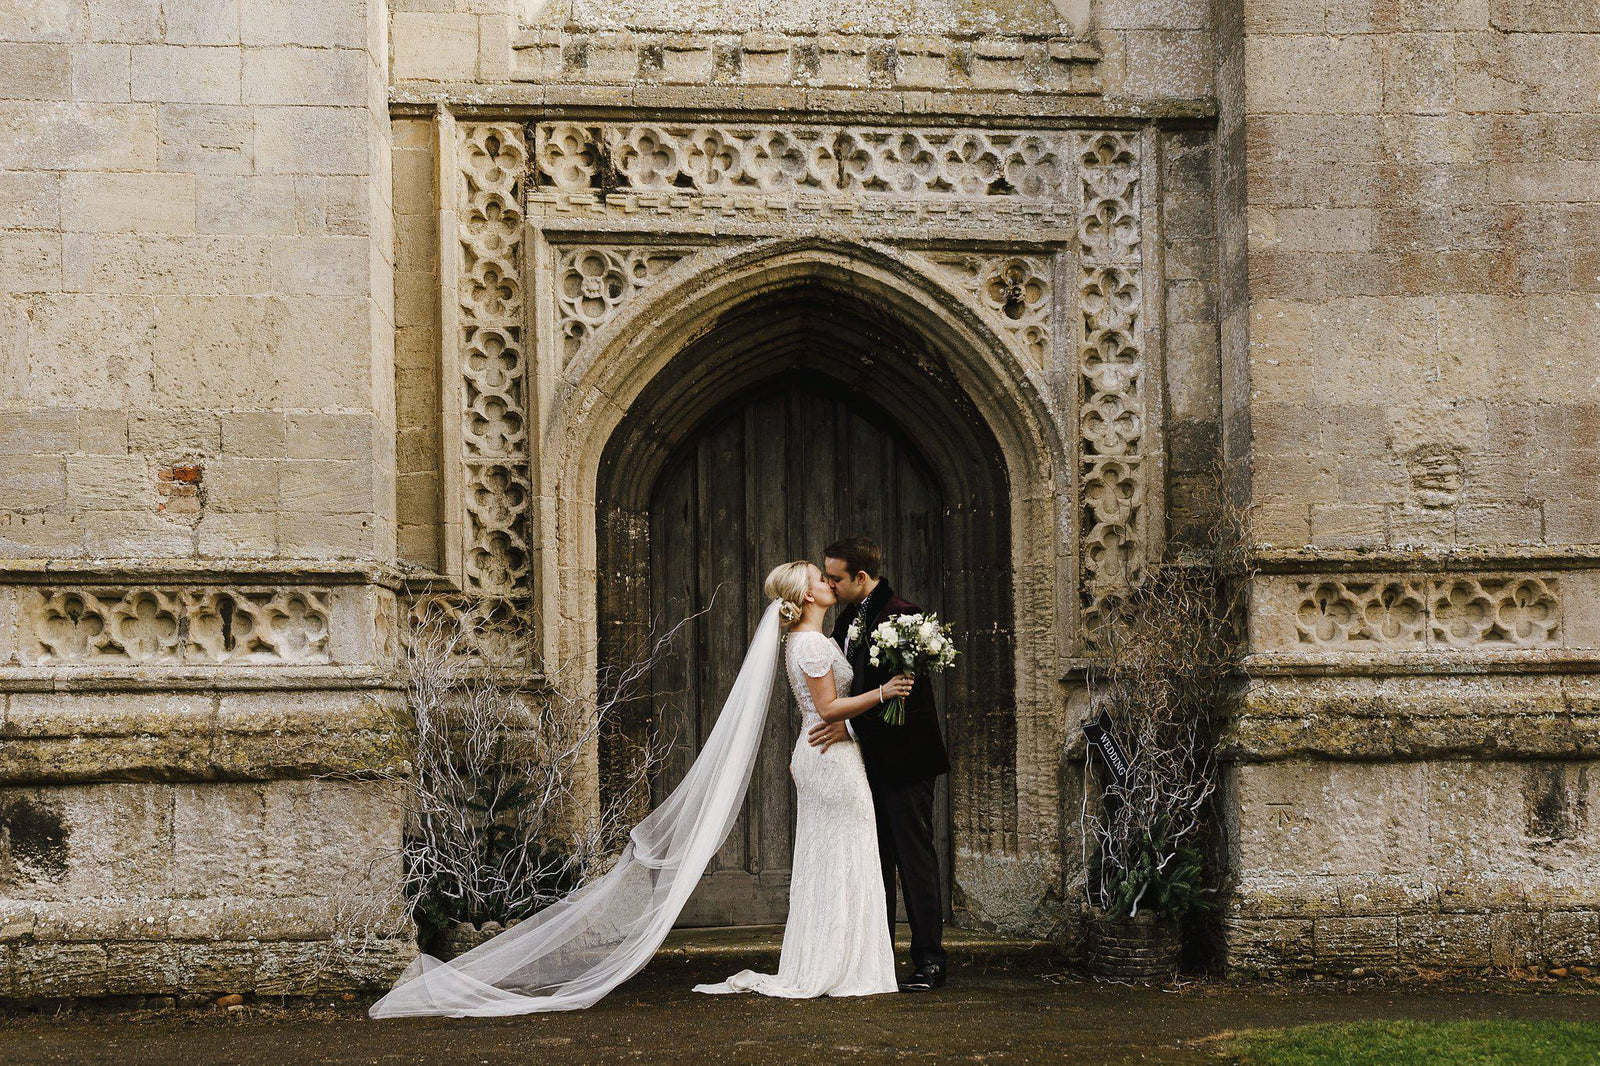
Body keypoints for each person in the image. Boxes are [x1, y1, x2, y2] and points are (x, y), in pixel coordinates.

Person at [694, 561, 913, 998]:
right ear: (808, 595)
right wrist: (884, 692)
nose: (829, 583)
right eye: (821, 578)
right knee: (846, 851)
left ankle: (834, 956)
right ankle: (841, 962)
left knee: (835, 853)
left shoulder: (812, 640)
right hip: (831, 757)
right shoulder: (810, 644)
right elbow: (828, 709)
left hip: (823, 755)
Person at [810, 536, 951, 991]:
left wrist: (849, 729)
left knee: (914, 859)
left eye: (835, 577)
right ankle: (878, 957)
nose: (829, 583)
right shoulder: (849, 617)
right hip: (866, 762)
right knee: (875, 860)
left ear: (862, 578)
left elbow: (904, 700)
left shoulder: (903, 616)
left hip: (906, 759)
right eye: (826, 576)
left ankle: (930, 960)